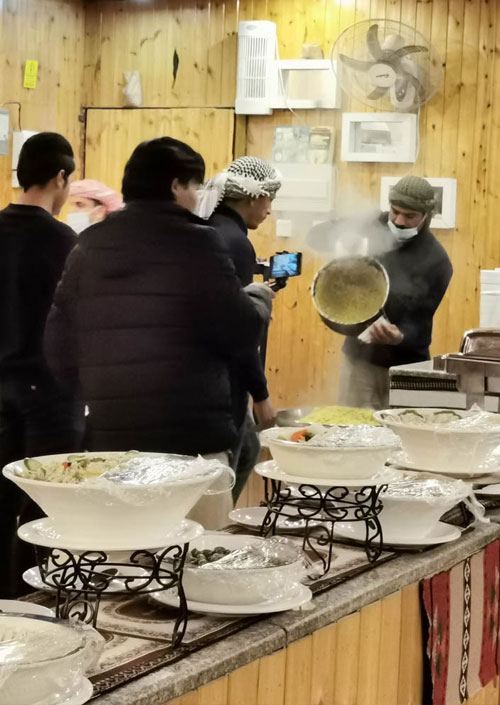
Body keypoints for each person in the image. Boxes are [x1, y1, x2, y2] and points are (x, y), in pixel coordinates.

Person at [44, 137, 272, 463]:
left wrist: (96, 395)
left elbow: (58, 344)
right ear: (176, 186)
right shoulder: (200, 243)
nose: (197, 197)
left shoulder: (88, 246)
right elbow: (240, 331)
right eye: (194, 186)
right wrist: (259, 300)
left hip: (112, 442)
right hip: (193, 442)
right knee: (193, 517)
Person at [0, 132, 84, 598]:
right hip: (50, 392)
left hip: (2, 387)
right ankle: (38, 604)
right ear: (60, 177)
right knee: (47, 506)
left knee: (1, 502)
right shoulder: (64, 241)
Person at [309, 175, 453, 410]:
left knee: (400, 438)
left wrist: (400, 336)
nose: (399, 221)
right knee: (351, 431)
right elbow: (314, 237)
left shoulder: (437, 260)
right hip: (359, 362)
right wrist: (341, 234)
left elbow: (421, 321)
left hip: (406, 369)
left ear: (426, 217)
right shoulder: (370, 224)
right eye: (395, 211)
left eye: (410, 216)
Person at [197, 156, 281, 501]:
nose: (270, 209)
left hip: (201, 370)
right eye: (269, 199)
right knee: (228, 465)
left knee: (247, 447)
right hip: (223, 379)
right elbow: (240, 328)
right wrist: (260, 395)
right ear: (251, 198)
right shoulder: (235, 242)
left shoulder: (208, 229)